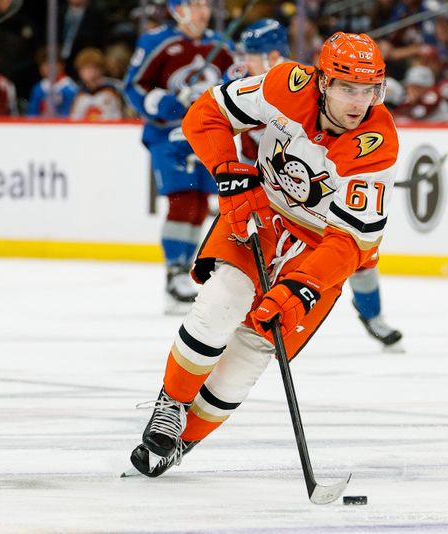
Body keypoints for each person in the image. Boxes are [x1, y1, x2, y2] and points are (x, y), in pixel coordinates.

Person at [128, 32, 399, 478]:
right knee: (224, 300)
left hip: (319, 248)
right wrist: (226, 168)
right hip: (262, 215)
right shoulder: (283, 85)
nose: (359, 102)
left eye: (369, 90)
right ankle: (171, 405)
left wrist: (301, 290)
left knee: (252, 352)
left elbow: (352, 243)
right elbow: (207, 113)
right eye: (348, 88)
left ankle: (183, 442)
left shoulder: (377, 143)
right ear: (323, 82)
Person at [236, 19, 404, 348]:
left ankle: (372, 315)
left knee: (359, 253)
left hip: (322, 187)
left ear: (272, 55)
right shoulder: (252, 81)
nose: (245, 60)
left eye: (253, 54)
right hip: (275, 190)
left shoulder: (301, 84)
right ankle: (247, 315)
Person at [123, 0, 234, 314]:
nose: (203, 11)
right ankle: (173, 273)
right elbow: (133, 85)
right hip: (168, 136)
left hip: (204, 135)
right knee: (182, 200)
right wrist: (165, 103)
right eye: (195, 4)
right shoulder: (157, 41)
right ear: (178, 9)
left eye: (205, 5)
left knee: (199, 203)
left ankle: (183, 271)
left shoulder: (220, 45)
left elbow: (235, 85)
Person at [69, 48, 122, 120]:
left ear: (101, 70)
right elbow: (74, 118)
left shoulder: (112, 89)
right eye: (86, 68)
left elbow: (118, 116)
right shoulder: (78, 93)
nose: (90, 72)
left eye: (93, 68)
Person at [27, 48, 78, 118]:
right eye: (45, 65)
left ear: (61, 65)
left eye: (52, 64)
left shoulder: (71, 88)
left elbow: (69, 115)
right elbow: (32, 114)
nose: (49, 68)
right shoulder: (38, 88)